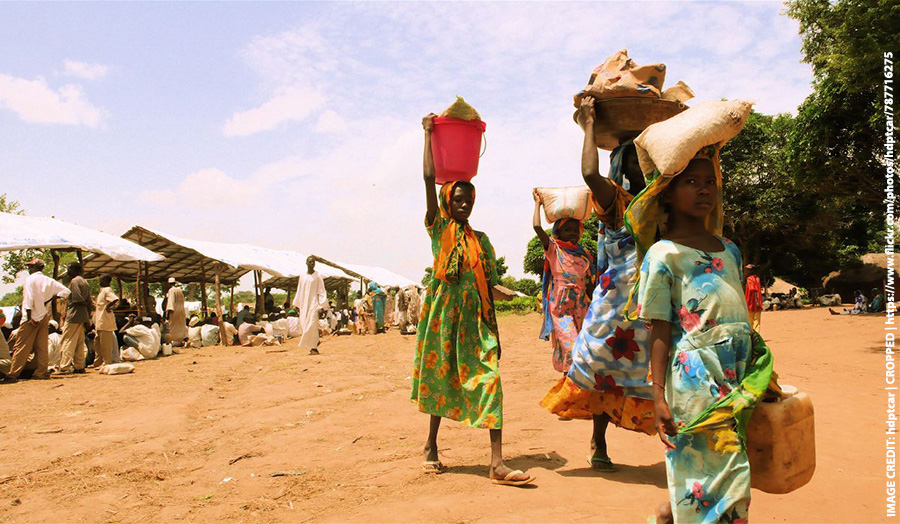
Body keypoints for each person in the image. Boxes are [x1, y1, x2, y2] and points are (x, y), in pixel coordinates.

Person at [629, 147, 774, 524]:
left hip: (737, 375)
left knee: (727, 475)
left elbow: (737, 317)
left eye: (710, 182)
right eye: (691, 182)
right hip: (693, 381)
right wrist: (657, 395)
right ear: (668, 194)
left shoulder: (730, 250)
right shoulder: (663, 255)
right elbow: (659, 327)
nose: (704, 190)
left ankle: (667, 517)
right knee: (710, 476)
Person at [411, 113, 534, 486]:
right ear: (449, 201)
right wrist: (429, 134)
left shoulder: (481, 240)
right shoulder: (439, 227)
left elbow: (488, 286)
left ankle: (496, 463)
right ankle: (431, 446)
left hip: (475, 325)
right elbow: (429, 180)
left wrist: (506, 302)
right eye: (459, 200)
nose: (464, 205)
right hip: (443, 320)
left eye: (468, 200)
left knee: (490, 381)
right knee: (441, 378)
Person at [540, 97, 656, 471]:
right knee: (601, 370)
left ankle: (683, 449)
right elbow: (591, 175)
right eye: (633, 162)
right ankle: (599, 442)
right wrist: (589, 123)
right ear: (620, 166)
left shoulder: (659, 202)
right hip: (613, 308)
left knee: (661, 373)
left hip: (652, 302)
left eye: (645, 161)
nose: (640, 169)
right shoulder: (614, 200)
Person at [533, 192, 596, 375]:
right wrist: (537, 204)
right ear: (558, 232)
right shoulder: (554, 249)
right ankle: (570, 384)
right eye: (568, 230)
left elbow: (590, 284)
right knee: (570, 346)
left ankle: (574, 386)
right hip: (561, 307)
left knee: (583, 346)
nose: (573, 234)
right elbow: (537, 227)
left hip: (582, 306)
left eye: (576, 230)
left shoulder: (584, 255)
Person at [3, 258, 70, 383]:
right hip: (44, 315)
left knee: (21, 346)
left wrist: (29, 317)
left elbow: (29, 298)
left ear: (34, 268)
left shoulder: (30, 279)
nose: (29, 269)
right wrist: (50, 299)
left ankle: (13, 374)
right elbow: (66, 291)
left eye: (30, 267)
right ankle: (41, 372)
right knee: (42, 346)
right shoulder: (49, 280)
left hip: (31, 316)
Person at [57, 262, 92, 374]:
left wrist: (84, 304)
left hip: (73, 314)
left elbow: (77, 298)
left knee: (67, 341)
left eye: (68, 269)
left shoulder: (74, 281)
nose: (67, 272)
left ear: (73, 269)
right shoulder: (84, 281)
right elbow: (89, 301)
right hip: (82, 315)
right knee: (79, 341)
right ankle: (79, 365)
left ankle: (64, 366)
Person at [293, 257, 328, 355]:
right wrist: (296, 304)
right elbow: (299, 290)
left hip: (314, 304)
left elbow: (321, 291)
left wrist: (322, 305)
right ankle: (315, 342)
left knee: (311, 325)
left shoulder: (318, 276)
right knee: (304, 325)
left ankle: (314, 348)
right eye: (310, 262)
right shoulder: (302, 276)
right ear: (306, 263)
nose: (312, 263)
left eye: (313, 262)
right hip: (304, 304)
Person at [93, 274, 119, 369]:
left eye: (101, 280)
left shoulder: (107, 290)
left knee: (105, 345)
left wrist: (108, 307)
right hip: (99, 321)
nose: (100, 282)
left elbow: (115, 299)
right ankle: (97, 362)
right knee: (97, 344)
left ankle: (106, 362)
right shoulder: (101, 292)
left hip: (105, 322)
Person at [165, 278, 188, 346]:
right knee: (181, 326)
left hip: (174, 311)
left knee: (172, 327)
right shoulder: (179, 290)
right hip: (181, 310)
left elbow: (170, 302)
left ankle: (173, 340)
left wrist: (168, 314)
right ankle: (183, 341)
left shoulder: (171, 290)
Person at [744, 264, 763, 331]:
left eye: (748, 269)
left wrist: (756, 302)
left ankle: (752, 336)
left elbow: (753, 290)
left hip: (751, 303)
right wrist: (758, 302)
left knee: (750, 321)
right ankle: (756, 335)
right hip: (757, 303)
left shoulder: (749, 279)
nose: (746, 271)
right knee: (757, 321)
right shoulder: (757, 278)